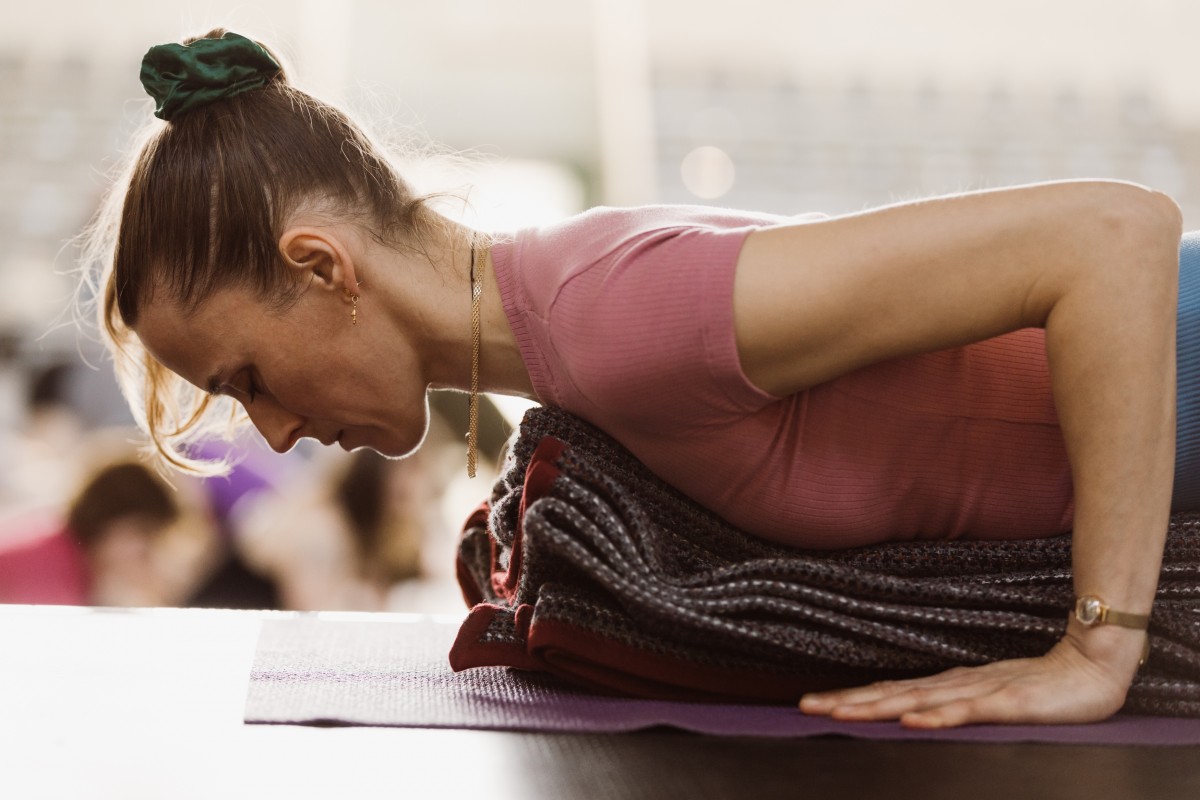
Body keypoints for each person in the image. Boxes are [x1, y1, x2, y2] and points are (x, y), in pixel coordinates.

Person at [80, 29, 1187, 728]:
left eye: (250, 377)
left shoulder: (613, 315)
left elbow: (1112, 237)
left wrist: (1100, 645)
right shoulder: (568, 331)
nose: (275, 433)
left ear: (323, 267)